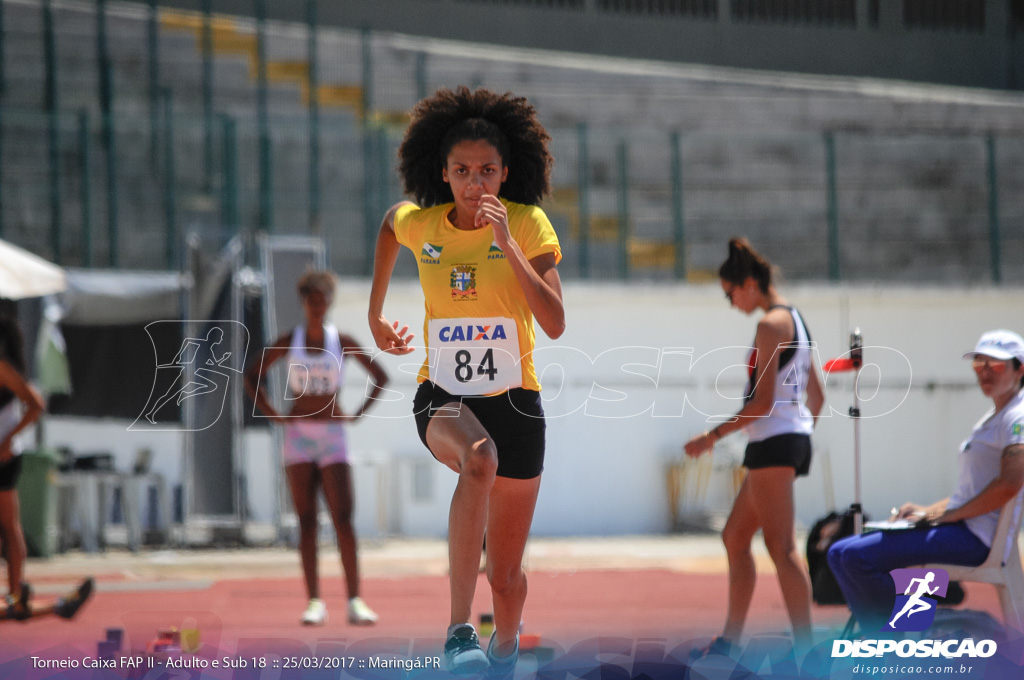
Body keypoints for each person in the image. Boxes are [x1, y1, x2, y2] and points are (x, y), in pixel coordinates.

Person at [368, 86, 563, 676]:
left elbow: (553, 322)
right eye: (461, 171)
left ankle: (503, 650)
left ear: (505, 173)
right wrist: (376, 315)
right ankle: (458, 630)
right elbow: (386, 225)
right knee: (479, 459)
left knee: (505, 578)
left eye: (486, 171)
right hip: (445, 396)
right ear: (444, 174)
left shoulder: (528, 225)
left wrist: (507, 246)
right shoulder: (421, 224)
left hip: (517, 404)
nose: (474, 183)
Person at [828, 329, 1024, 634]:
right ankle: (900, 640)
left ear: (1019, 369)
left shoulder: (1017, 417)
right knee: (838, 552)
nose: (985, 372)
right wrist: (927, 511)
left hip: (975, 539)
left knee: (855, 557)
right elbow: (970, 492)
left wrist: (948, 517)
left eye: (996, 365)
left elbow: (1009, 484)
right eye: (979, 364)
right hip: (959, 528)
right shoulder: (994, 416)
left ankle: (894, 645)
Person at [684, 237, 824, 654]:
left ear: (748, 284)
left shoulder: (770, 325)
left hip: (775, 443)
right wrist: (799, 436)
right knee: (734, 535)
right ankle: (730, 640)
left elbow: (761, 403)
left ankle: (807, 651)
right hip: (785, 440)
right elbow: (816, 396)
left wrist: (712, 437)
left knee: (780, 548)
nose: (731, 304)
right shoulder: (795, 319)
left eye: (730, 294)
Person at [245, 271, 388, 626]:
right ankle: (314, 601)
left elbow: (381, 376)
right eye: (311, 299)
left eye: (323, 299)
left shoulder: (341, 340)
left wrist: (356, 414)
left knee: (344, 520)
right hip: (298, 436)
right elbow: (251, 375)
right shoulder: (289, 341)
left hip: (332, 435)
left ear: (329, 303)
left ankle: (355, 600)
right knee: (306, 522)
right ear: (304, 303)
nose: (317, 305)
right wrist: (274, 415)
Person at [0, 315, 93, 621]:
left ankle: (15, 593)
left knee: (10, 526)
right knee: (9, 526)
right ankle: (24, 600)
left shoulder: (2, 368)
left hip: (3, 457)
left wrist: (8, 439)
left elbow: (36, 404)